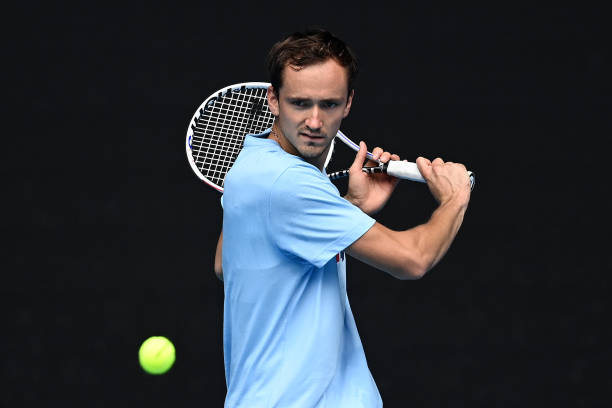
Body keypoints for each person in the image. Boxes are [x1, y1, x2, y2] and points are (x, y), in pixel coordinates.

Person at [214, 29, 471, 407]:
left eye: (329, 104)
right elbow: (413, 259)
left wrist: (349, 205)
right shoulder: (288, 182)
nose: (315, 122)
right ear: (273, 99)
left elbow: (226, 264)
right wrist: (454, 198)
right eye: (300, 103)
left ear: (348, 103)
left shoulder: (250, 167)